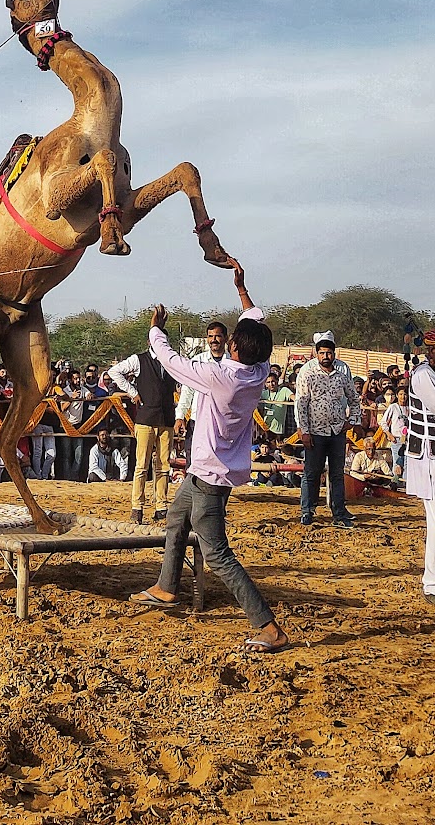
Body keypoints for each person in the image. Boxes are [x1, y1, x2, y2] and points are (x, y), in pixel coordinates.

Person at [133, 264, 288, 654]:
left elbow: (171, 361)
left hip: (209, 478)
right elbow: (256, 319)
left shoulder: (222, 377)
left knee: (217, 554)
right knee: (173, 519)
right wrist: (241, 290)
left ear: (234, 347)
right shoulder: (258, 369)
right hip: (207, 472)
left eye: (232, 337)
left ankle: (267, 626)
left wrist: (156, 329)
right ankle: (167, 587)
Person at [295, 332, 363, 527]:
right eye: (322, 353)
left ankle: (339, 513)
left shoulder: (342, 376)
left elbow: (354, 399)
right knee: (311, 473)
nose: (326, 356)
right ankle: (307, 511)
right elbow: (301, 404)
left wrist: (353, 421)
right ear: (316, 354)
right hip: (315, 433)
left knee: (337, 474)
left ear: (334, 354)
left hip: (336, 432)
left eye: (329, 353)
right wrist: (304, 431)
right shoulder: (308, 374)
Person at [109, 342, 176, 523]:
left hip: (167, 417)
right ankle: (137, 506)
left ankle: (161, 505)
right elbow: (114, 372)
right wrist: (132, 392)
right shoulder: (139, 360)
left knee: (164, 465)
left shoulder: (172, 360)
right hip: (146, 418)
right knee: (141, 465)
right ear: (150, 342)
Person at [405, 335, 435, 602]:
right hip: (431, 460)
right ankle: (432, 583)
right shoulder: (424, 375)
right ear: (433, 350)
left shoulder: (431, 373)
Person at [175, 320, 229, 457]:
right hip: (197, 421)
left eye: (217, 336)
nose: (214, 340)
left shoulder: (232, 363)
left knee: (218, 461)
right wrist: (180, 416)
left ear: (226, 338)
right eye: (210, 336)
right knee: (193, 460)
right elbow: (188, 391)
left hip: (222, 423)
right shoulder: (198, 361)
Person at [380, 386, 408, 476]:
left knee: (406, 464)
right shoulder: (393, 407)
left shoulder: (409, 408)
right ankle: (395, 483)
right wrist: (389, 434)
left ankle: (404, 485)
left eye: (405, 394)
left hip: (407, 440)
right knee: (397, 462)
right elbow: (383, 422)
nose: (403, 397)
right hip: (396, 439)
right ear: (397, 395)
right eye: (400, 394)